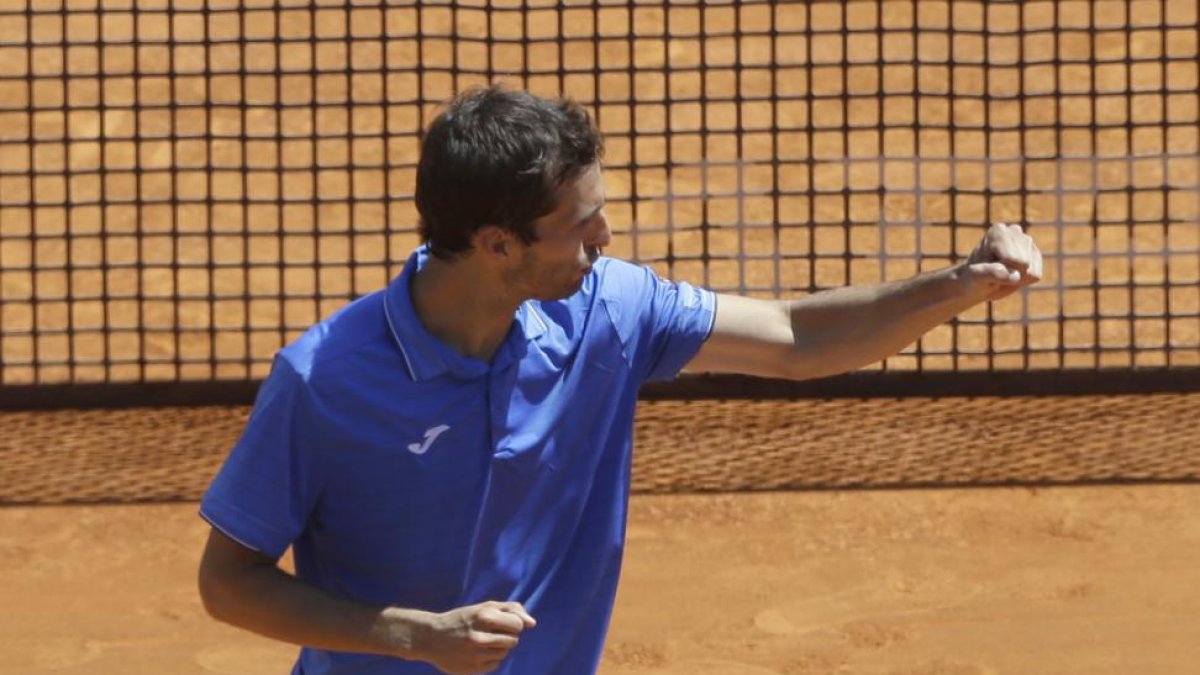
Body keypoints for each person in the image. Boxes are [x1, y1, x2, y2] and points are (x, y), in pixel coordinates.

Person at [197, 85, 1042, 675]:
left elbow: (794, 336)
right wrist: (413, 636)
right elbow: (227, 581)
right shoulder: (325, 380)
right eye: (578, 223)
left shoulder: (607, 309)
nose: (605, 234)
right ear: (498, 244)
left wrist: (958, 283)